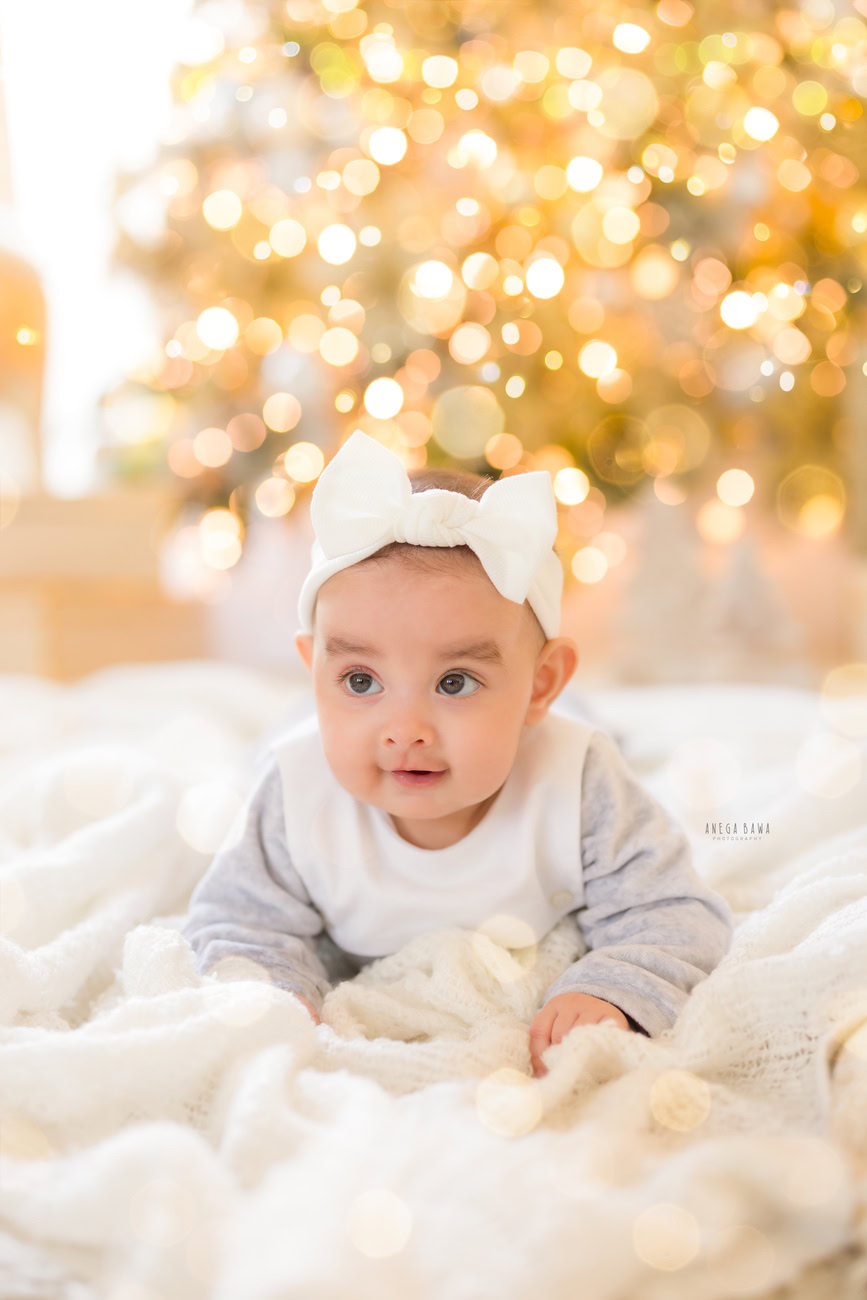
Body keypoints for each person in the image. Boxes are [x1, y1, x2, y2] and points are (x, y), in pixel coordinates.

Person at [181, 430, 734, 1077]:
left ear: (540, 683)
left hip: (548, 727)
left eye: (454, 682)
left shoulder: (580, 780)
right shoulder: (294, 791)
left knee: (588, 727)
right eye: (359, 680)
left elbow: (671, 910)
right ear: (315, 669)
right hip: (304, 734)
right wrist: (274, 992)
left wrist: (610, 986)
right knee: (285, 741)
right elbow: (237, 920)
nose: (405, 729)